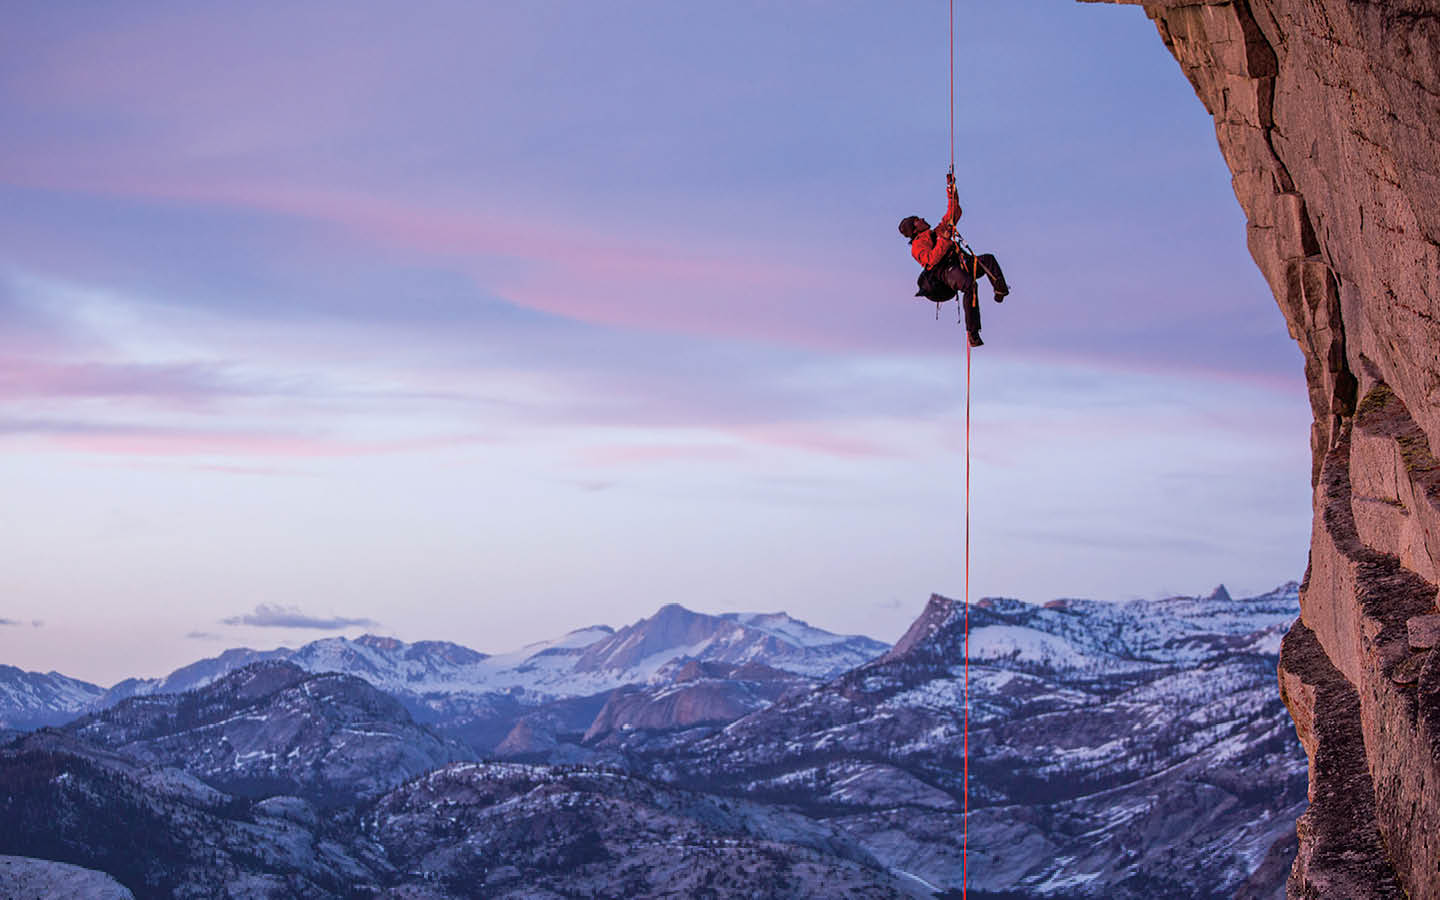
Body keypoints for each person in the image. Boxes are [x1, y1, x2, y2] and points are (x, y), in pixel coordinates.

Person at [899, 173, 1010, 347]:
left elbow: (954, 213)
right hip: (945, 271)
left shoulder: (936, 231)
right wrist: (944, 239)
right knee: (969, 286)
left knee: (988, 260)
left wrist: (951, 191)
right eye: (917, 220)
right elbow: (931, 260)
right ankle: (972, 333)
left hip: (959, 263)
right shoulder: (917, 246)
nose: (922, 219)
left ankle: (1000, 289)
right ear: (915, 228)